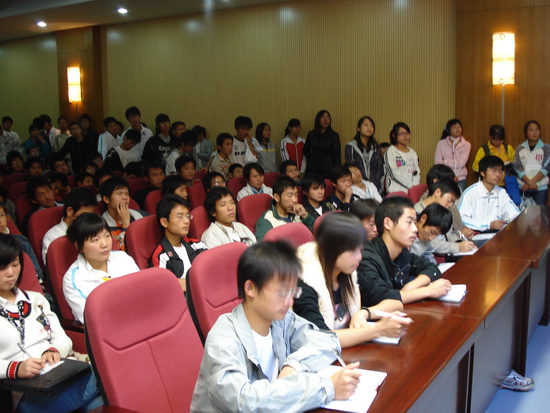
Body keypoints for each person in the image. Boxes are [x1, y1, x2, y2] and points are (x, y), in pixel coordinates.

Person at [191, 241, 361, 413]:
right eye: (282, 292)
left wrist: (292, 366)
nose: (290, 301)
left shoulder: (282, 319)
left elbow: (328, 341)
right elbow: (246, 402)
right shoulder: (223, 339)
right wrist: (326, 388)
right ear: (250, 288)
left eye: (293, 292)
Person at [0, 234, 103, 412]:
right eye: (2, 268)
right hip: (24, 391)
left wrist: (52, 351)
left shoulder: (35, 300)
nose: (10, 273)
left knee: (99, 404)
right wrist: (15, 368)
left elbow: (62, 338)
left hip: (60, 376)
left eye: (15, 265)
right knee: (106, 374)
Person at [293, 213, 411, 348]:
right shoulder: (304, 284)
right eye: (353, 251)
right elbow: (320, 338)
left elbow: (395, 302)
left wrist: (364, 313)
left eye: (360, 250)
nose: (360, 257)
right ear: (330, 249)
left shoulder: (349, 274)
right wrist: (379, 329)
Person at [357, 196, 452, 306]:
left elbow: (431, 268)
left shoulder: (402, 252)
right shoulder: (366, 257)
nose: (415, 229)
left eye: (414, 222)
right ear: (388, 223)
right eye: (409, 222)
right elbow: (380, 297)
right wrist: (428, 291)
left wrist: (409, 288)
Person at [63, 213, 139, 324]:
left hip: (140, 318)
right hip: (110, 328)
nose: (104, 244)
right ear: (79, 246)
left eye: (107, 236)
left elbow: (142, 291)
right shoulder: (74, 278)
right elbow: (93, 318)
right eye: (95, 240)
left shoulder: (123, 258)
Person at [150, 195, 206, 292]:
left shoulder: (197, 244)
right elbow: (165, 287)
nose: (186, 221)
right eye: (180, 217)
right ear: (164, 222)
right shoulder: (161, 255)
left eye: (188, 216)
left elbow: (212, 270)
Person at [458, 156, 520, 232]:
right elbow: (462, 218)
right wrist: (488, 225)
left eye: (500, 171)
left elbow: (513, 214)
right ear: (482, 173)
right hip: (475, 234)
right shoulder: (470, 193)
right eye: (494, 171)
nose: (498, 174)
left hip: (497, 234)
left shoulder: (501, 192)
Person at [414, 178, 476, 253]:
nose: (450, 205)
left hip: (448, 250)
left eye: (453, 202)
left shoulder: (441, 211)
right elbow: (432, 244)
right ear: (437, 192)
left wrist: (460, 242)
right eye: (450, 200)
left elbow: (449, 234)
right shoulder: (416, 213)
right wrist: (457, 247)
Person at [42, 188, 97, 264]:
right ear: (69, 211)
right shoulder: (53, 237)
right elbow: (52, 266)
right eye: (84, 214)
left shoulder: (93, 230)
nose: (87, 219)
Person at [255, 176, 314, 241]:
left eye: (296, 195)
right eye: (290, 195)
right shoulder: (267, 220)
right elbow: (264, 246)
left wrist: (305, 215)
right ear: (277, 197)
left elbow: (314, 233)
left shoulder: (297, 213)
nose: (294, 200)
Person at [100, 177, 145, 250]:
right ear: (106, 199)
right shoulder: (102, 226)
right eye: (119, 193)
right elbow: (120, 251)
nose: (125, 197)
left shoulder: (139, 215)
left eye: (127, 194)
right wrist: (126, 224)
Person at [514, 120, 550, 206]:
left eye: (537, 130)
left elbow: (546, 167)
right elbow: (517, 167)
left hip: (540, 188)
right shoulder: (519, 148)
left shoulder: (546, 148)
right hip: (523, 187)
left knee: (539, 213)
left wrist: (533, 183)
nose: (535, 132)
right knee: (524, 213)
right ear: (526, 133)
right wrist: (528, 183)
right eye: (531, 130)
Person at [344, 116, 385, 192]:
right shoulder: (350, 147)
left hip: (375, 186)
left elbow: (380, 168)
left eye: (371, 126)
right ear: (358, 129)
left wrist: (373, 185)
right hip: (357, 185)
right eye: (366, 125)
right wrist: (363, 183)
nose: (369, 128)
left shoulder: (376, 147)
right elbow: (351, 167)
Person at [434, 118, 471, 191]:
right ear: (448, 130)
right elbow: (437, 163)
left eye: (459, 127)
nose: (457, 129)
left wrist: (445, 161)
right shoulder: (441, 143)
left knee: (460, 197)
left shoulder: (466, 145)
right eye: (454, 127)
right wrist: (449, 175)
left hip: (460, 178)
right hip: (445, 177)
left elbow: (461, 163)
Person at [384, 122, 420, 193]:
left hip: (412, 190)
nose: (405, 136)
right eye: (401, 134)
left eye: (407, 133)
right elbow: (394, 173)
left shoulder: (412, 152)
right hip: (395, 190)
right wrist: (410, 186)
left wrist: (415, 186)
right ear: (394, 135)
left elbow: (416, 171)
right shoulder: (391, 151)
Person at [304, 110, 341, 178]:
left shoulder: (334, 135)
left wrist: (337, 171)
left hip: (329, 169)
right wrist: (311, 160)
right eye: (323, 117)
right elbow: (306, 150)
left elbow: (337, 155)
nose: (325, 119)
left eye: (328, 117)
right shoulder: (311, 134)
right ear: (318, 119)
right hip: (314, 168)